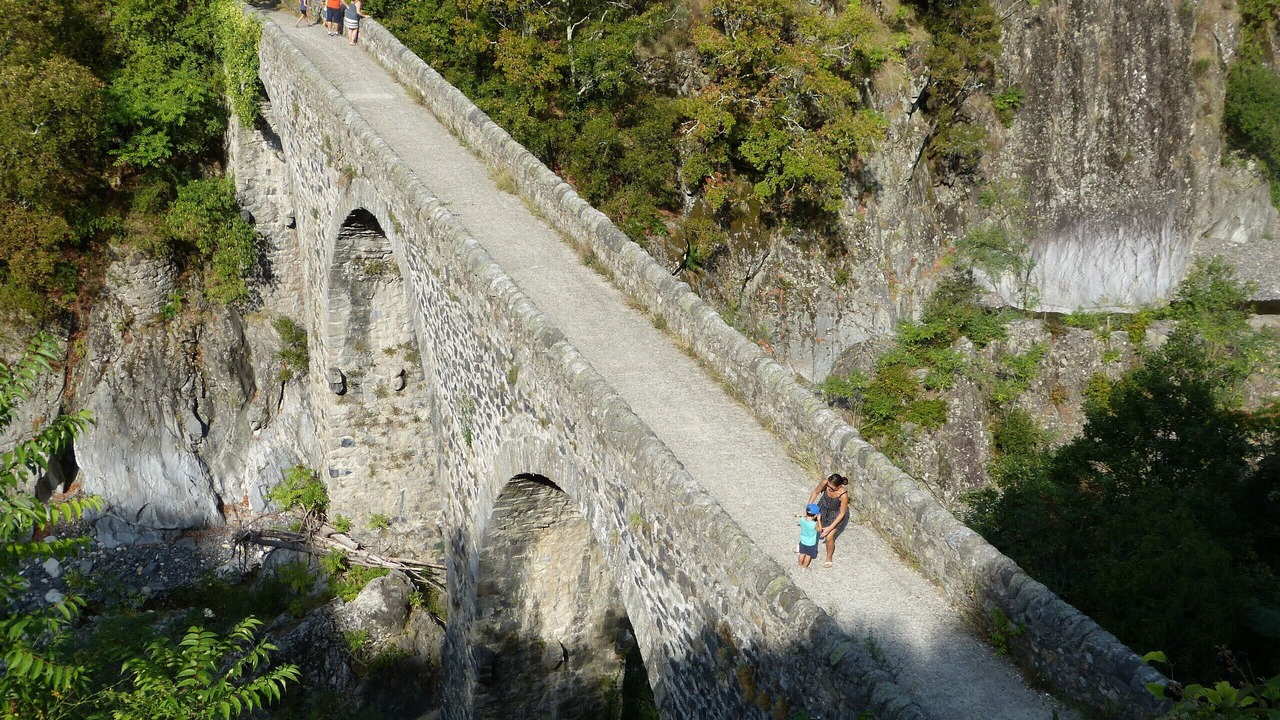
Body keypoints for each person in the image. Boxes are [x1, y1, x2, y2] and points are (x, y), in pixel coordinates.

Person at [808, 473, 849, 568]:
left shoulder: (843, 495)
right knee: (810, 526)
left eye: (832, 488)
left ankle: (829, 557)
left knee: (829, 537)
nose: (829, 489)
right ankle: (804, 547)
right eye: (829, 486)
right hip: (822, 506)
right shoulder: (825, 482)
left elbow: (842, 513)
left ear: (839, 486)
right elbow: (815, 492)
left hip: (835, 514)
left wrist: (829, 528)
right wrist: (809, 506)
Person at [797, 503, 822, 570]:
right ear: (815, 516)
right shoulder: (814, 524)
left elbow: (804, 516)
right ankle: (804, 567)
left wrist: (804, 515)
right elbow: (819, 530)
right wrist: (819, 520)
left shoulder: (802, 520)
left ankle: (799, 565)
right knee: (808, 556)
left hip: (802, 541)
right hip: (810, 543)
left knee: (802, 553)